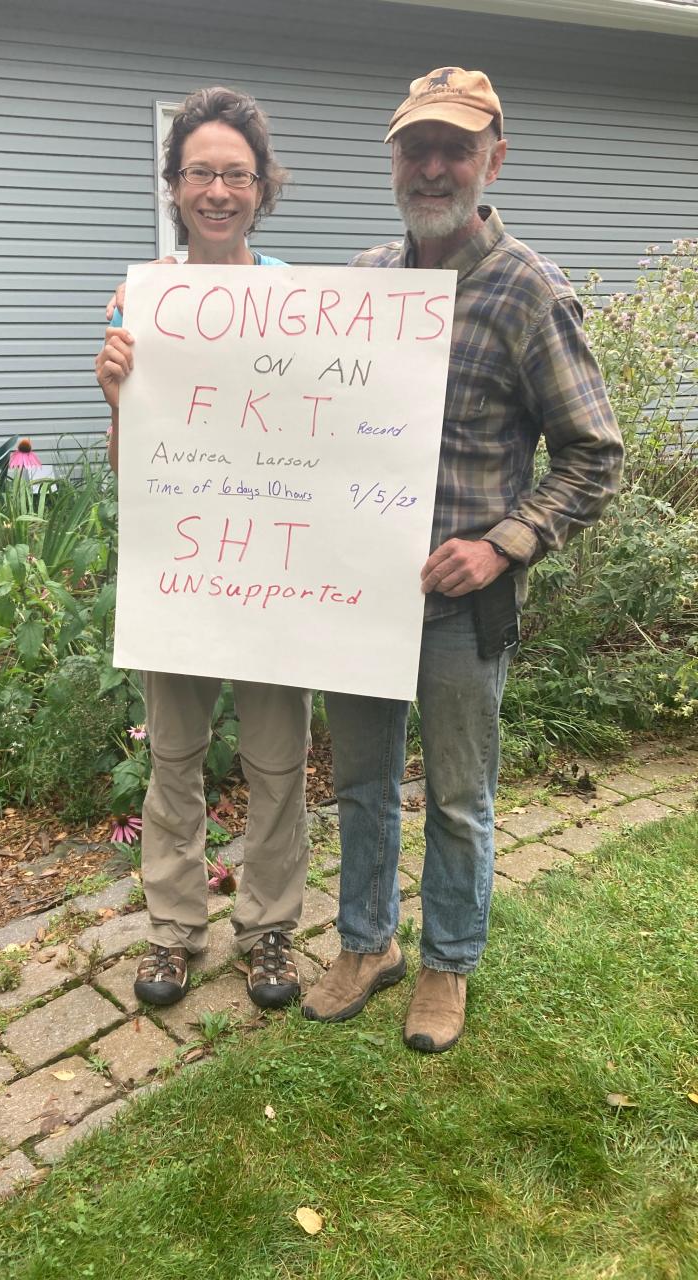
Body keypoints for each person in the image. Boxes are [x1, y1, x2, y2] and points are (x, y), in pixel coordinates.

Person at [301, 67, 624, 1052]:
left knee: (459, 795)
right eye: (416, 147)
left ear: (494, 159)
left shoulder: (528, 290)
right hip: (357, 596)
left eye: (455, 147)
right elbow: (294, 412)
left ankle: (448, 962)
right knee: (359, 782)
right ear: (394, 160)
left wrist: (502, 545)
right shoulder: (363, 284)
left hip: (458, 608)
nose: (433, 166)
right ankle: (366, 942)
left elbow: (594, 454)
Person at [95, 86, 312, 1011]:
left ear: (262, 187)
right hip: (182, 569)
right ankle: (174, 933)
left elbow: (331, 444)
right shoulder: (145, 297)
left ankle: (268, 931)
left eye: (236, 173)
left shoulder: (302, 300)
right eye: (200, 173)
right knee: (173, 760)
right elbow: (129, 463)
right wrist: (116, 398)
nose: (217, 189)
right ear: (174, 186)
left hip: (275, 569)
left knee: (277, 764)